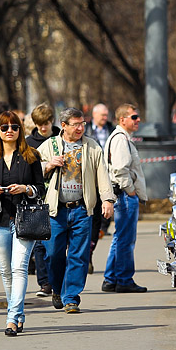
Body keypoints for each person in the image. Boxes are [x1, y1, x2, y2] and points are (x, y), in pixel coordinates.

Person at [37, 107, 115, 314]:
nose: (81, 128)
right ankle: (56, 287)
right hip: (56, 211)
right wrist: (48, 165)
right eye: (76, 124)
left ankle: (71, 297)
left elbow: (102, 175)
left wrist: (107, 199)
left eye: (83, 124)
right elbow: (32, 171)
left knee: (78, 255)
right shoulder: (50, 145)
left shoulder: (91, 147)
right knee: (53, 254)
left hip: (81, 209)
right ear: (64, 126)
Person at [0, 111, 45, 335]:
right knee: (6, 271)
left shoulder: (31, 156)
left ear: (20, 130)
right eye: (4, 127)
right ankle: (17, 314)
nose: (10, 131)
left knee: (19, 268)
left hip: (25, 220)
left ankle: (10, 318)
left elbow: (41, 188)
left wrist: (26, 189)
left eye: (14, 127)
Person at [103, 103, 148, 293]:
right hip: (124, 195)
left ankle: (111, 278)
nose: (137, 120)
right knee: (126, 239)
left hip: (121, 194)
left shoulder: (121, 137)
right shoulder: (121, 139)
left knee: (120, 237)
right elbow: (120, 170)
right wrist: (130, 190)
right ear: (122, 120)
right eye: (134, 117)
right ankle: (124, 279)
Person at [24, 103, 60, 298]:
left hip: (58, 196)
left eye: (45, 123)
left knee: (57, 244)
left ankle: (56, 281)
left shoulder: (60, 139)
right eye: (39, 124)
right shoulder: (30, 142)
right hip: (38, 198)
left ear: (51, 121)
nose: (42, 127)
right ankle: (44, 282)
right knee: (39, 243)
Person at [84, 103, 116, 274]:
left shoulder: (112, 130)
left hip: (106, 175)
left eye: (106, 114)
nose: (104, 117)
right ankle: (83, 256)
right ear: (94, 115)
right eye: (102, 115)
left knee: (98, 219)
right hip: (88, 177)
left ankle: (89, 252)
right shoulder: (86, 130)